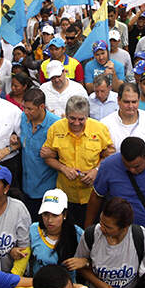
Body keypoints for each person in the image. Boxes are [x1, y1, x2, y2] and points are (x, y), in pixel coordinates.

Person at [42, 96, 114, 226]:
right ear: (66, 115)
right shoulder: (56, 128)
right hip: (66, 194)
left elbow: (109, 155)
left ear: (87, 116)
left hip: (93, 194)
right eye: (72, 118)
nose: (76, 123)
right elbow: (47, 157)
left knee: (91, 230)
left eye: (81, 119)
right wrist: (63, 168)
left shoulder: (100, 129)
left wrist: (96, 170)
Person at [19, 88, 59, 217]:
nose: (26, 112)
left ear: (41, 107)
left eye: (30, 109)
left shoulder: (56, 125)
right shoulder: (23, 119)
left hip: (46, 190)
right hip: (26, 187)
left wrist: (54, 154)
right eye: (24, 107)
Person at [101, 82, 145, 148]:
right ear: (118, 100)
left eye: (134, 102)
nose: (130, 106)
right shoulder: (105, 124)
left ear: (139, 100)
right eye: (126, 102)